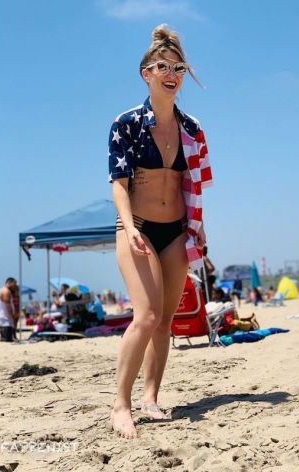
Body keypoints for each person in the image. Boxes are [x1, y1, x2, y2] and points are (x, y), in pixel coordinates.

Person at [108, 24, 212, 439]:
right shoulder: (127, 123)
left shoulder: (192, 129)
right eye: (163, 67)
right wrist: (129, 225)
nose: (172, 74)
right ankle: (120, 404)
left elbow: (194, 186)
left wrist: (199, 230)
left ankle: (151, 398)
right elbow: (119, 183)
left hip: (177, 230)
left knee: (166, 320)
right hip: (138, 227)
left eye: (178, 68)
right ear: (146, 73)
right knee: (146, 315)